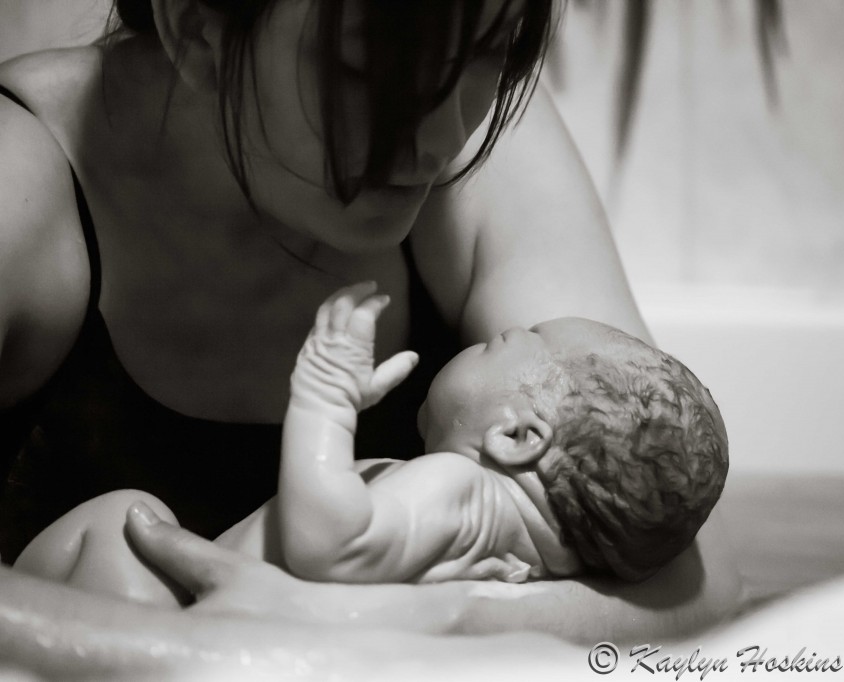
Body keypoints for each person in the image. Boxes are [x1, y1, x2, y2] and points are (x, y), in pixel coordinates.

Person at [0, 0, 741, 646]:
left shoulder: (485, 144)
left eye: (494, 47)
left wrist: (376, 626)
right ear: (196, 27)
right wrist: (190, 650)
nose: (443, 135)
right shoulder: (17, 185)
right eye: (370, 71)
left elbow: (692, 584)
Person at [14, 281, 729, 602]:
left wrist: (325, 397)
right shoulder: (530, 565)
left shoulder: (460, 490)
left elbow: (334, 543)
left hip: (164, 616)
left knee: (124, 521)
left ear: (516, 436)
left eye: (509, 342)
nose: (488, 339)